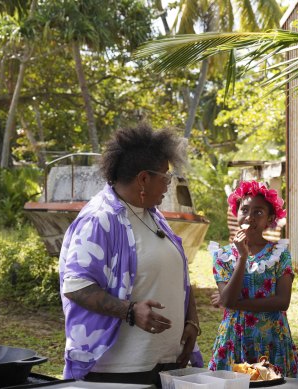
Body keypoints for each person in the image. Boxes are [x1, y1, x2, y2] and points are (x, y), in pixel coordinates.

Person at [58, 123, 202, 386]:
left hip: (163, 364)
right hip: (120, 371)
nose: (168, 185)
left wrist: (191, 321)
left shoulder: (153, 216)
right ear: (144, 179)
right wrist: (130, 311)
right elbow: (76, 287)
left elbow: (180, 276)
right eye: (165, 178)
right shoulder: (100, 219)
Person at [208, 180, 298, 378]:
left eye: (258, 212)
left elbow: (282, 301)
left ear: (269, 220)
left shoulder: (280, 254)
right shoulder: (223, 256)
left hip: (271, 338)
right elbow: (227, 301)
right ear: (236, 213)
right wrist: (242, 257)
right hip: (235, 337)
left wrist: (236, 303)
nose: (250, 216)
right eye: (245, 209)